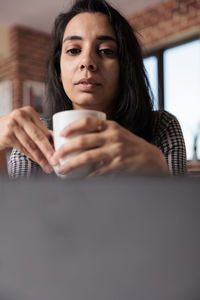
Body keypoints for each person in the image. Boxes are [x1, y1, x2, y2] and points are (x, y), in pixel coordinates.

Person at [1, 0, 186, 179]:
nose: (87, 62)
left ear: (125, 68)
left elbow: (185, 210)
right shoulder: (34, 136)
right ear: (58, 71)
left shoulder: (161, 127)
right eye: (73, 50)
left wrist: (159, 170)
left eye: (106, 50)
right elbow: (12, 210)